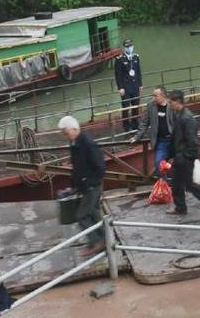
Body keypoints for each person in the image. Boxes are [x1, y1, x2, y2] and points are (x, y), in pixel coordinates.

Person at [58, 116, 106, 256]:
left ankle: (96, 242)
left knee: (82, 215)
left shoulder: (87, 143)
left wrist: (91, 183)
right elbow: (76, 167)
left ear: (74, 128)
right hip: (85, 184)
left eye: (66, 133)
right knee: (95, 213)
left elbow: (100, 167)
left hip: (91, 185)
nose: (66, 136)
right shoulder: (74, 143)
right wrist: (73, 186)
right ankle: (105, 238)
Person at [166, 90, 200, 218]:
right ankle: (180, 207)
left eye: (171, 102)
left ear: (177, 102)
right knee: (177, 183)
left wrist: (187, 156)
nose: (169, 105)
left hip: (185, 157)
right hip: (179, 155)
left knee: (188, 184)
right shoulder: (179, 115)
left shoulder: (187, 118)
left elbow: (192, 140)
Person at [130, 86, 175, 178]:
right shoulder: (151, 105)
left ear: (163, 96)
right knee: (158, 163)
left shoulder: (172, 105)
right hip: (161, 141)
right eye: (153, 96)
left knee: (179, 164)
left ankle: (180, 186)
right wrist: (136, 137)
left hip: (174, 139)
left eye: (156, 96)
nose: (153, 98)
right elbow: (144, 123)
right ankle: (166, 187)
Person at [114, 38, 143, 132]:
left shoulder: (136, 57)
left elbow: (138, 71)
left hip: (135, 86)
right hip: (125, 87)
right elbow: (118, 75)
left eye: (130, 46)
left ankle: (135, 124)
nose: (129, 48)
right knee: (126, 107)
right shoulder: (119, 59)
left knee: (135, 106)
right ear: (124, 48)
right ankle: (126, 126)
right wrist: (120, 88)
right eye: (127, 46)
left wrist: (140, 84)